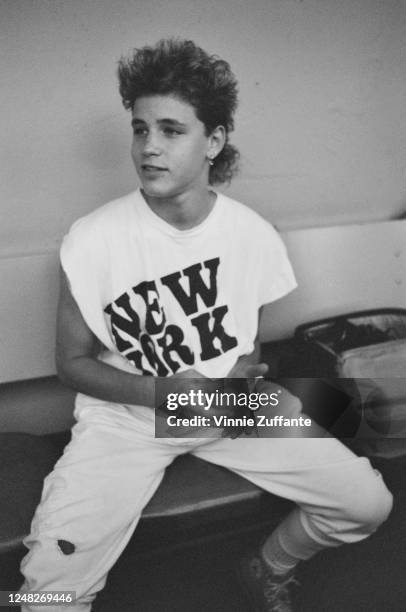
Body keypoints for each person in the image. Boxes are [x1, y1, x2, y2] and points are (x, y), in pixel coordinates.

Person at [19, 38, 393, 612]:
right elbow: (70, 364)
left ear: (213, 141)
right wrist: (163, 393)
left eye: (171, 130)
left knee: (368, 499)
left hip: (226, 405)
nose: (149, 147)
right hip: (127, 419)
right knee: (48, 596)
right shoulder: (91, 239)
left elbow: (247, 341)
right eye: (140, 129)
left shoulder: (253, 235)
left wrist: (248, 380)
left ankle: (266, 567)